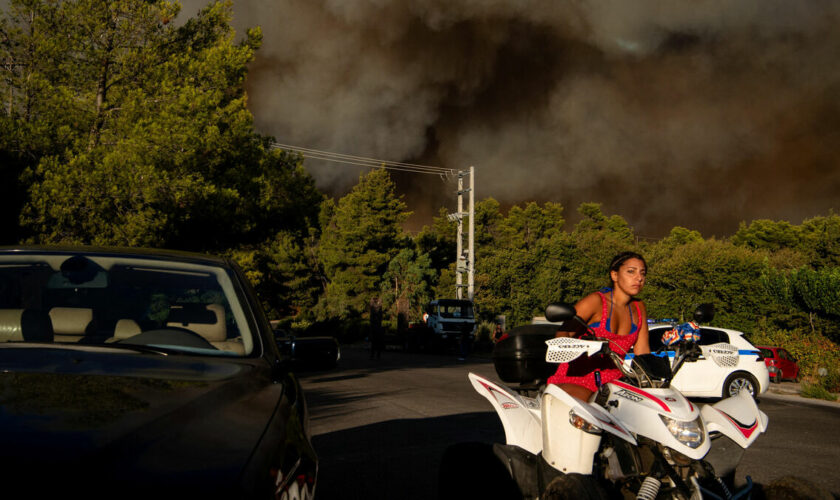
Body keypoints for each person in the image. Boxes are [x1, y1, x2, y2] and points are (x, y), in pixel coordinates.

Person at [548, 251, 651, 402]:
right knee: (588, 410)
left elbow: (642, 352)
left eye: (643, 273)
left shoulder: (639, 307)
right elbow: (563, 334)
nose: (639, 278)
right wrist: (585, 347)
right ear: (614, 275)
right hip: (577, 379)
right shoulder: (596, 301)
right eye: (631, 272)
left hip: (614, 385)